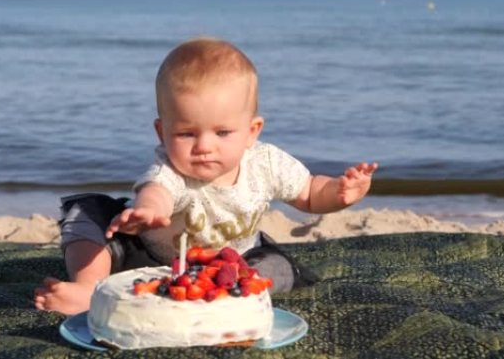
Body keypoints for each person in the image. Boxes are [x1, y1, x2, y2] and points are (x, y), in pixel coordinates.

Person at [34, 37, 378, 315]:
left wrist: (339, 192)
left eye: (223, 133)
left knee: (277, 267)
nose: (204, 147)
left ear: (252, 131)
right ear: (162, 132)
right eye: (186, 134)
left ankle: (227, 300)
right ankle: (87, 287)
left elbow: (308, 192)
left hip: (233, 263)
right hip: (152, 257)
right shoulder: (170, 168)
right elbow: (158, 191)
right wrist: (148, 212)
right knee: (86, 216)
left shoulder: (267, 163)